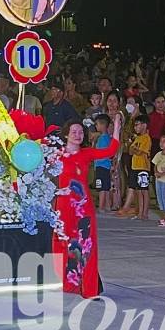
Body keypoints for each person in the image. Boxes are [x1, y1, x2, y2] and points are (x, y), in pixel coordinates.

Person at [53, 119, 119, 296]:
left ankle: (89, 288)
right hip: (64, 205)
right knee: (63, 243)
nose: (78, 135)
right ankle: (66, 283)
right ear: (66, 134)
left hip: (83, 206)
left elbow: (111, 150)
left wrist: (117, 126)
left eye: (81, 132)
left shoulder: (87, 153)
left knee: (86, 244)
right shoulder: (55, 154)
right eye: (74, 131)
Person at [126, 113, 152, 221]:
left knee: (144, 190)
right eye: (135, 125)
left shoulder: (146, 138)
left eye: (137, 125)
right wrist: (134, 149)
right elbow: (131, 151)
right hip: (135, 166)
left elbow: (140, 152)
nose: (135, 127)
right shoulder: (137, 138)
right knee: (137, 190)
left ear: (144, 125)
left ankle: (144, 213)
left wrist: (134, 149)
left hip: (143, 167)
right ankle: (140, 211)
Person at [92, 113, 117, 212]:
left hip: (101, 165)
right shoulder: (105, 138)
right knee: (105, 186)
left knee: (102, 187)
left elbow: (103, 153)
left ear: (102, 125)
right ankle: (107, 205)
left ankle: (102, 206)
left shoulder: (103, 138)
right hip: (103, 165)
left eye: (97, 124)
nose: (96, 126)